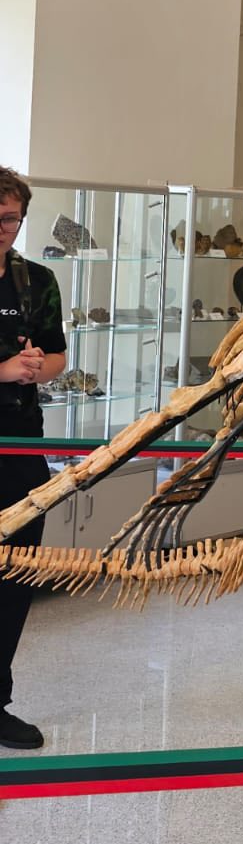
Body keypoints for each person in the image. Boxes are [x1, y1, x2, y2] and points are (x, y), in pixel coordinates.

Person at [0, 168, 66, 749]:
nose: (1, 228)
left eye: (9, 219)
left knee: (15, 574)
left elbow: (58, 359)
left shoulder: (37, 280)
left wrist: (34, 368)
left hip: (21, 446)